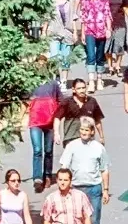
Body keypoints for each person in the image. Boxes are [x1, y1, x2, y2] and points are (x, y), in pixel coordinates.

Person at [59, 117, 110, 224]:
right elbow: (64, 168)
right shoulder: (71, 146)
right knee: (76, 219)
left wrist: (105, 190)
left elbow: (104, 170)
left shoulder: (99, 148)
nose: (83, 132)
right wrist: (63, 187)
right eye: (82, 129)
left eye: (86, 130)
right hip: (75, 188)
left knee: (94, 219)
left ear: (92, 131)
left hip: (94, 189)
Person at [27, 64, 62, 192]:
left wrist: (56, 116)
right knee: (37, 150)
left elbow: (60, 100)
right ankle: (37, 178)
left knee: (48, 151)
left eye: (43, 64)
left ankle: (47, 175)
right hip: (35, 121)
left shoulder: (53, 83)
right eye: (39, 64)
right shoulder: (31, 83)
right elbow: (23, 99)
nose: (41, 66)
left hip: (50, 122)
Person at [79, 0, 111, 91]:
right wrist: (82, 33)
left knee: (100, 56)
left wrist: (109, 29)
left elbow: (107, 14)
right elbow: (83, 17)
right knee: (91, 55)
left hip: (101, 30)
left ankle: (99, 79)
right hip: (89, 30)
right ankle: (91, 82)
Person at [43, 0, 76, 89]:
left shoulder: (69, 1)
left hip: (67, 32)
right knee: (54, 56)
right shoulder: (51, 2)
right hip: (54, 32)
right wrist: (44, 31)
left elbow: (74, 17)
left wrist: (75, 32)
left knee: (66, 58)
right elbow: (47, 17)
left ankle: (64, 81)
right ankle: (56, 77)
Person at [54, 79, 105, 148]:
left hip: (88, 139)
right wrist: (56, 133)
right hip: (71, 138)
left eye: (83, 88)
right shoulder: (67, 102)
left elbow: (97, 120)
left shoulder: (92, 101)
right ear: (74, 89)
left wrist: (101, 136)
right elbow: (57, 118)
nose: (82, 90)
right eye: (79, 88)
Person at [105, 0, 128, 76]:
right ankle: (110, 67)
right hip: (108, 23)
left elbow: (125, 7)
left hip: (120, 22)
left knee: (119, 46)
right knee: (108, 46)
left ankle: (118, 65)